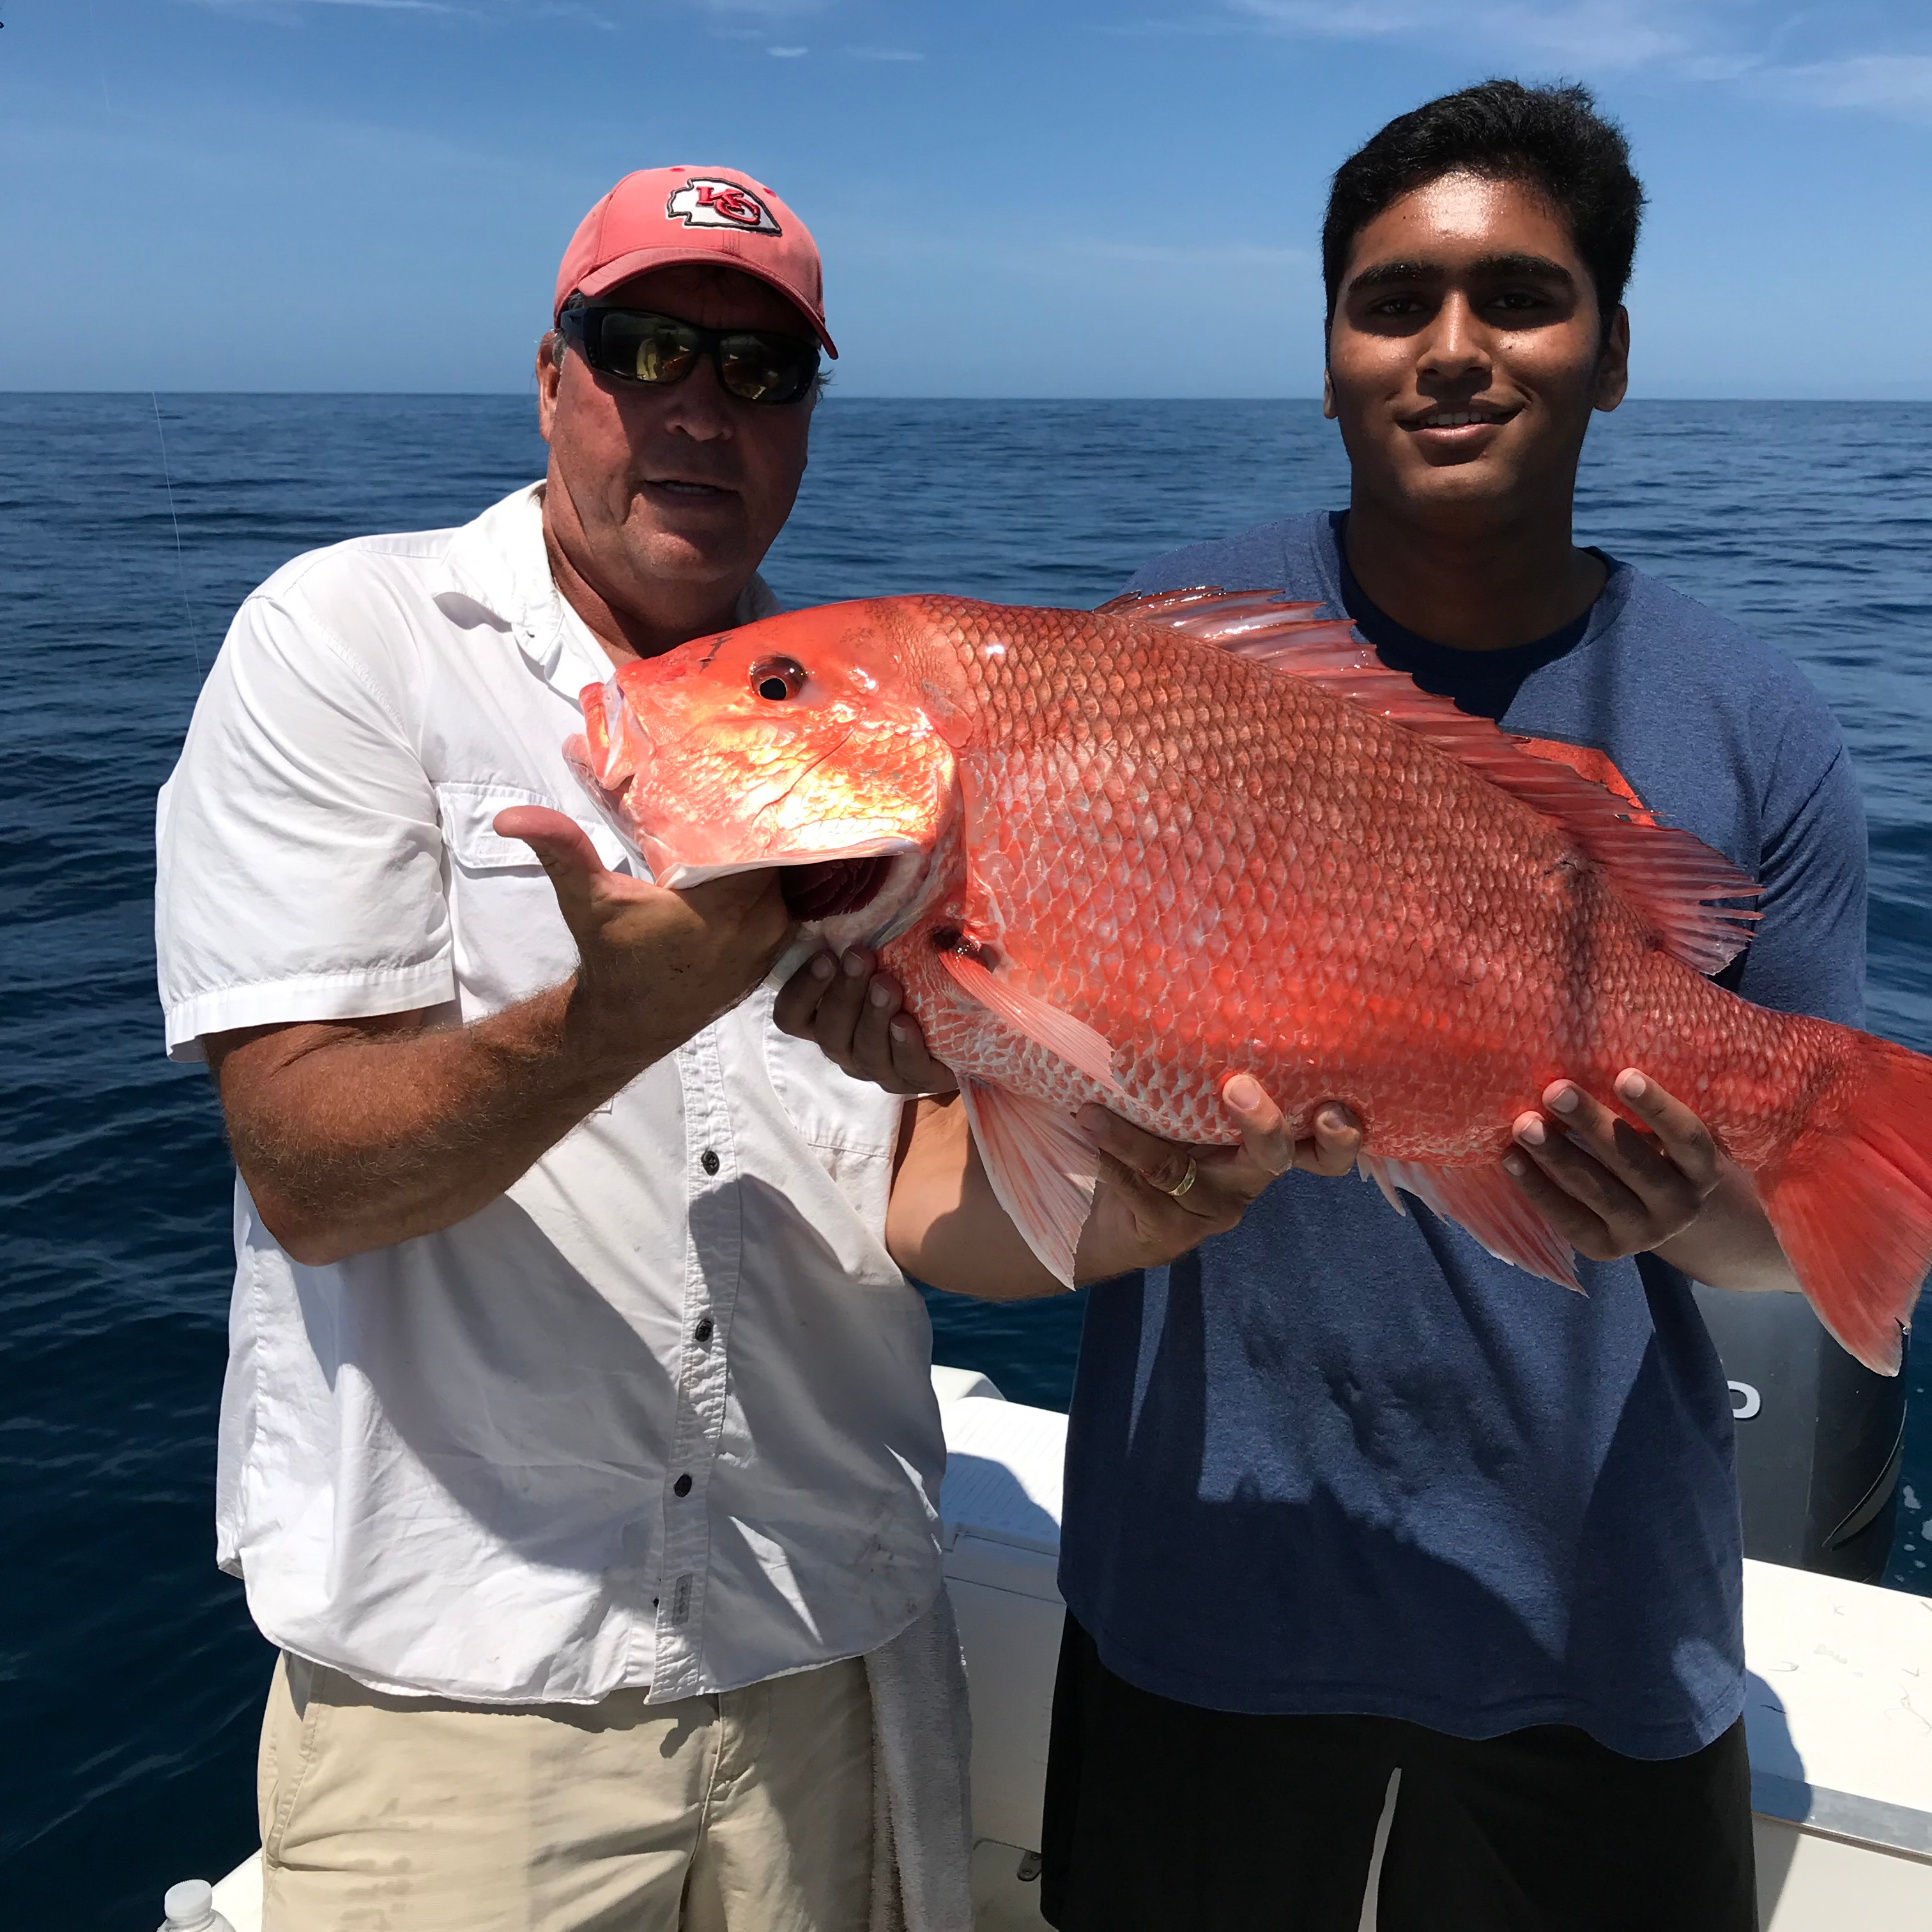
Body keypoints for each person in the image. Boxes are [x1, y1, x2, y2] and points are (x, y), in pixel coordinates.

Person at [155, 162, 1295, 1932]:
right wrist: (604, 1027)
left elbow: (921, 1208)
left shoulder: (853, 721)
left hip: (835, 1667)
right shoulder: (352, 642)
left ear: (809, 421)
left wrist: (1167, 1201)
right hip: (472, 1720)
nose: (701, 408)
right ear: (555, 376)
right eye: (648, 347)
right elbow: (310, 1176)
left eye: (763, 371)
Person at [1016, 82, 1867, 1931]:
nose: (1454, 350)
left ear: (1614, 353)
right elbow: (1032, 1099)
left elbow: (1776, 1243)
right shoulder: (1166, 660)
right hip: (1203, 1612)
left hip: (1595, 1632)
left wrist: (1687, 1200)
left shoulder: (1753, 723)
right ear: (1327, 355)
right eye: (1394, 302)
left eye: (1519, 299)